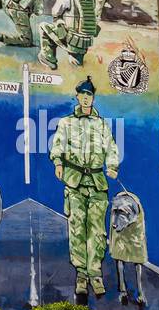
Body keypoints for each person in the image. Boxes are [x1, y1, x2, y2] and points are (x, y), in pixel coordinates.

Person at [49, 76, 119, 297]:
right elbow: (57, 145)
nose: (86, 99)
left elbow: (112, 148)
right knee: (78, 229)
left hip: (97, 183)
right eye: (83, 95)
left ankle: (95, 274)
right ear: (77, 96)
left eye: (90, 95)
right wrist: (58, 163)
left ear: (93, 98)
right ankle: (81, 274)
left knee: (97, 232)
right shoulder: (66, 123)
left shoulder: (102, 125)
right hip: (75, 181)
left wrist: (113, 166)